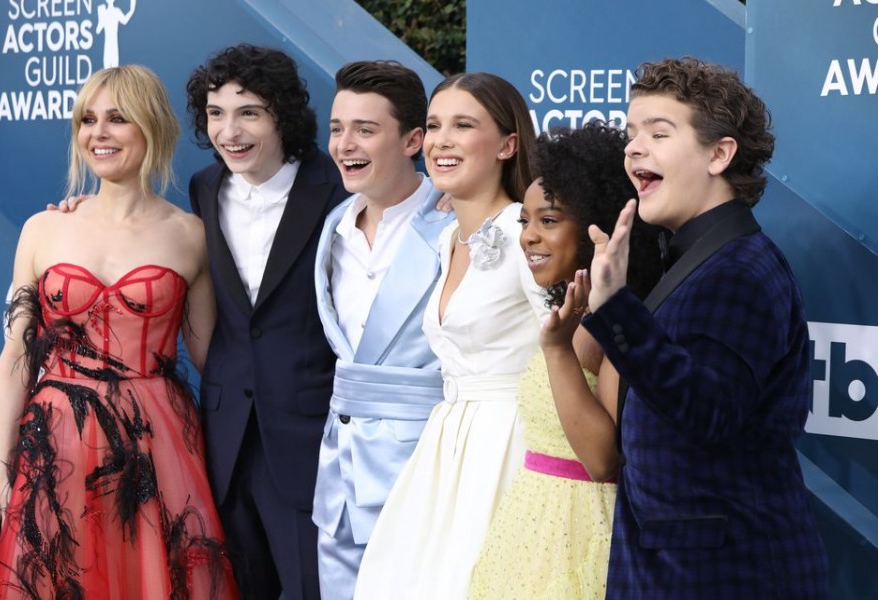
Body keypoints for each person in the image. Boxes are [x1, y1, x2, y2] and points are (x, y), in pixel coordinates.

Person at [0, 65, 238, 598]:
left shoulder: (190, 234)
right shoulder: (43, 228)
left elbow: (213, 361)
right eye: (87, 120)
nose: (99, 133)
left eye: (117, 119)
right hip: (56, 444)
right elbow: (15, 359)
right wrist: (4, 475)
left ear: (151, 126)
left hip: (155, 446)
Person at [582, 57, 829, 598]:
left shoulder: (737, 272)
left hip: (723, 576)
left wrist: (616, 306)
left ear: (719, 154)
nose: (633, 148)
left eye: (658, 133)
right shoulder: (704, 259)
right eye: (631, 132)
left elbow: (707, 412)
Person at [354, 72, 547, 599]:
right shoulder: (447, 241)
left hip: (513, 445)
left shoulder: (526, 233)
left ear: (507, 145)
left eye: (463, 125)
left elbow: (570, 351)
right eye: (435, 125)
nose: (442, 140)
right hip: (447, 445)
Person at [468, 123, 663, 599]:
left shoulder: (617, 322)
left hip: (584, 534)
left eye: (549, 220)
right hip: (529, 528)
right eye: (524, 221)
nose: (529, 237)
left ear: (596, 226)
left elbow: (601, 459)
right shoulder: (575, 313)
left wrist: (557, 351)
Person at [185, 44, 347, 599]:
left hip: (309, 437)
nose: (229, 132)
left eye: (248, 112)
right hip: (225, 439)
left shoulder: (337, 187)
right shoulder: (204, 188)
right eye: (216, 114)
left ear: (282, 115)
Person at [312, 61, 454, 599]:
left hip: (422, 468)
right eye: (337, 128)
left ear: (413, 140)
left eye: (365, 130)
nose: (345, 144)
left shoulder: (457, 223)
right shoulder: (334, 227)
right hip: (339, 476)